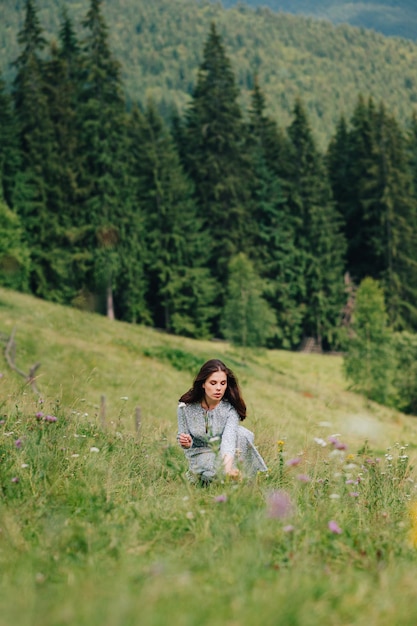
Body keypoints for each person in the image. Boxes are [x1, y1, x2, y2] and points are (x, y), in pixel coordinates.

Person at [177, 358, 267, 484]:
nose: (218, 388)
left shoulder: (230, 409)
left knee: (242, 434)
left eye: (222, 383)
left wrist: (227, 469)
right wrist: (186, 443)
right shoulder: (185, 407)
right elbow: (182, 438)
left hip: (225, 453)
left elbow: (228, 442)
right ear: (203, 384)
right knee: (214, 472)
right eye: (213, 383)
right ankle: (216, 477)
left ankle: (233, 477)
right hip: (199, 453)